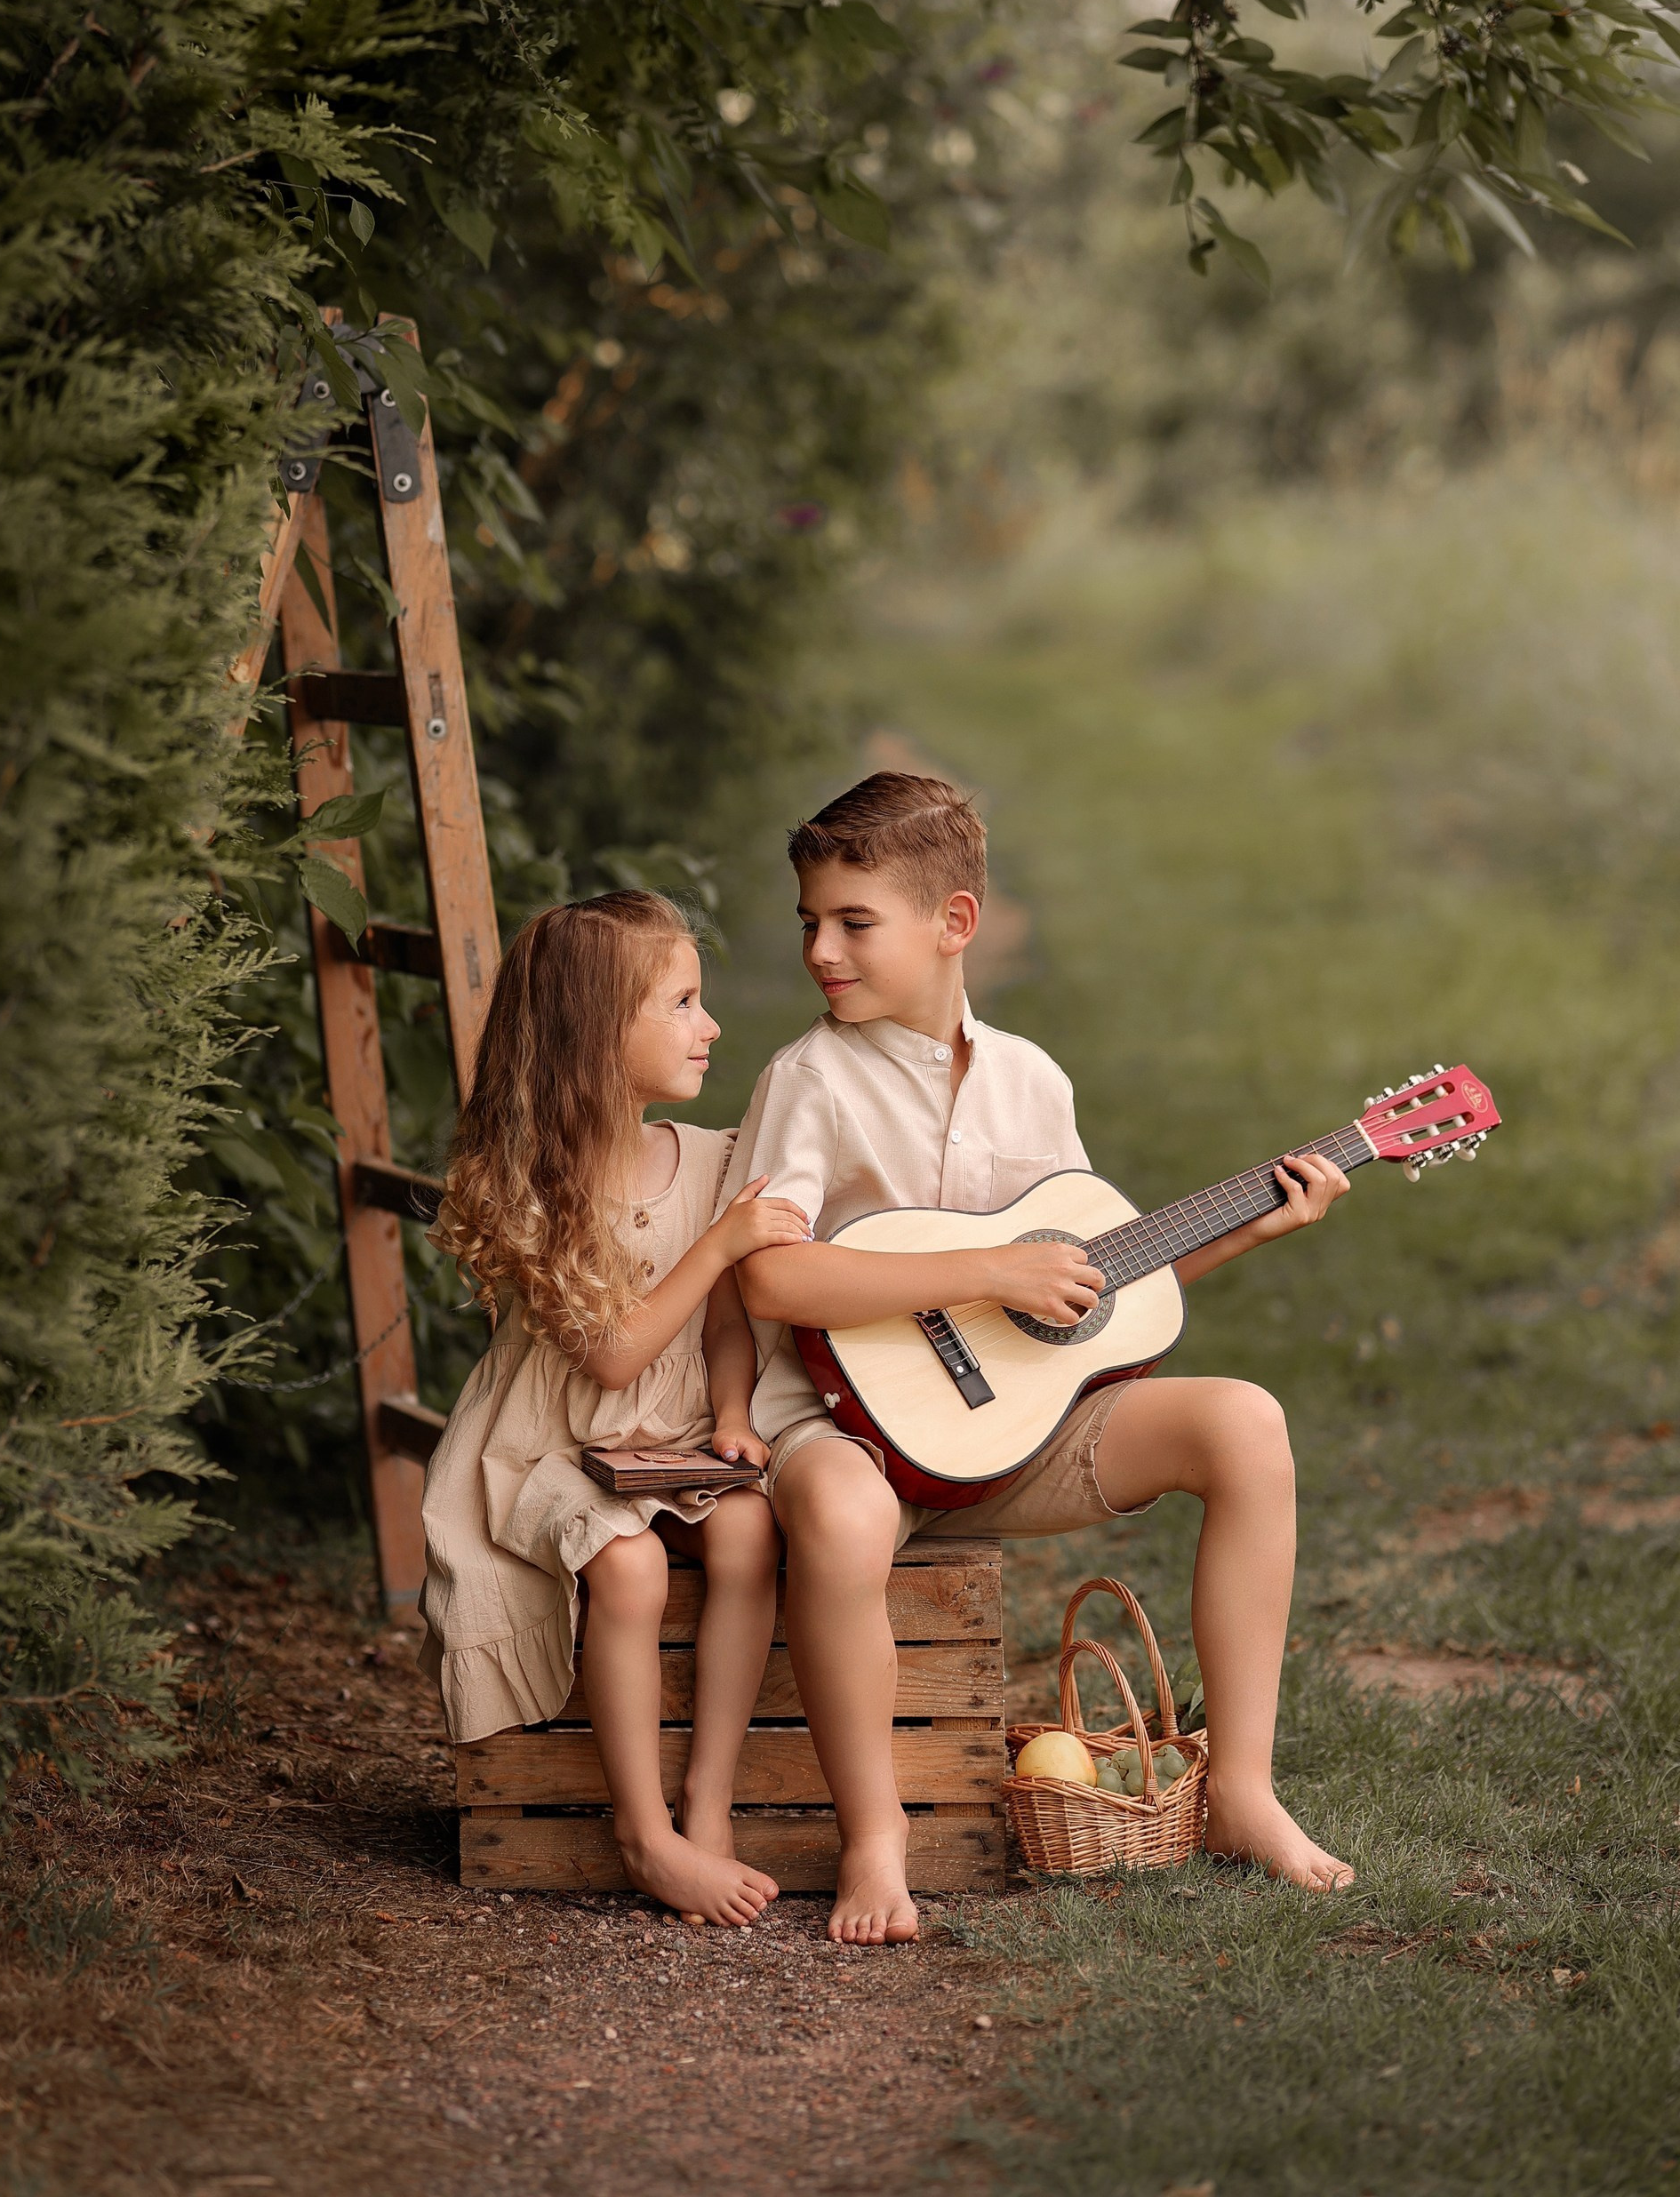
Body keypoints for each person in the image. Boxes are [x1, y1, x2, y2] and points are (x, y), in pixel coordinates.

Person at [723, 772, 1356, 1946]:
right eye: (810, 920)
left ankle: (1244, 1792)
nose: (822, 948)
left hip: (1010, 1439)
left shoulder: (1032, 1082)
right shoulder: (807, 1080)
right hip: (839, 1428)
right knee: (847, 1526)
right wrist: (984, 1272)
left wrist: (1252, 1226)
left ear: (953, 923)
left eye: (853, 922)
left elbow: (1083, 1298)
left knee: (1245, 1424)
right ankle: (876, 1837)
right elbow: (773, 1278)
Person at [420, 891, 809, 1926]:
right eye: (681, 1003)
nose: (710, 1024)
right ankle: (644, 1833)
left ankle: (709, 1803)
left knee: (749, 1532)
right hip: (552, 1447)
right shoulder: (534, 1187)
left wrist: (730, 1411)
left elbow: (727, 1324)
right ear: (599, 1034)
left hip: (676, 1433)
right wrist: (718, 1242)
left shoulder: (713, 1157)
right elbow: (611, 1356)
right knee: (628, 1566)